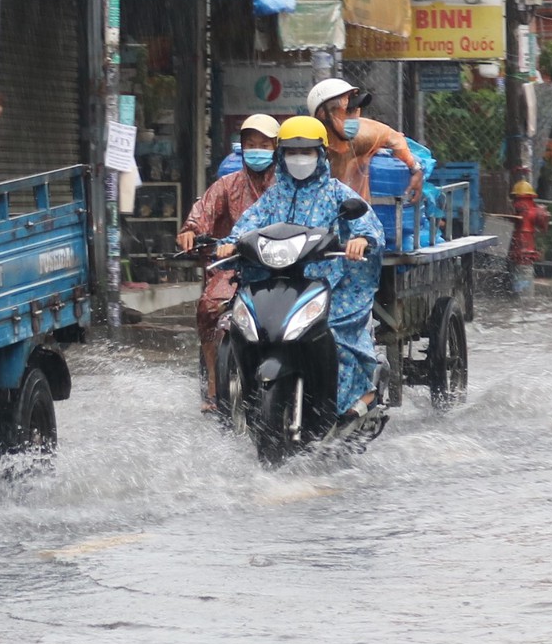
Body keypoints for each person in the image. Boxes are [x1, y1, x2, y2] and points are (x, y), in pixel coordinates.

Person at [221, 116, 386, 417]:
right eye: (292, 153)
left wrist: (361, 239)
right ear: (282, 156)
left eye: (307, 152)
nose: (299, 159)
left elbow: (368, 225)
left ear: (320, 155)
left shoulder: (337, 193)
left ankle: (359, 398)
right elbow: (248, 224)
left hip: (328, 285)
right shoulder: (273, 196)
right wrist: (231, 242)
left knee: (338, 339)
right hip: (279, 283)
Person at [178, 113, 282, 409]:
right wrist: (190, 232)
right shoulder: (228, 185)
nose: (257, 150)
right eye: (251, 144)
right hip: (235, 266)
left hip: (282, 266)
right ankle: (213, 383)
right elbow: (201, 216)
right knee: (209, 307)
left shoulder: (287, 186)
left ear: (277, 147)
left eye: (264, 144)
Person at [307, 77, 425, 204]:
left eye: (356, 110)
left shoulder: (362, 136)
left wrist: (415, 169)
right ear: (323, 114)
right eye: (348, 110)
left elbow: (395, 138)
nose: (353, 118)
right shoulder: (305, 144)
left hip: (352, 212)